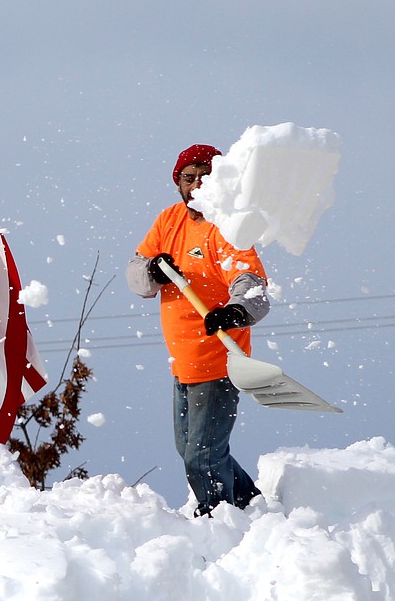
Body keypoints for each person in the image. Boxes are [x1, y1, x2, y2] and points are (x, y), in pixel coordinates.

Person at [126, 143, 270, 517]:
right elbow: (137, 274)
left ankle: (217, 517)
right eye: (188, 178)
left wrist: (235, 312)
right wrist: (151, 273)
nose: (195, 185)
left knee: (201, 454)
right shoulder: (169, 220)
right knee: (193, 449)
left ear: (219, 181)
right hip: (183, 362)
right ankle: (250, 506)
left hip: (218, 364)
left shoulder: (227, 227)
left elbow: (251, 285)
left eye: (204, 177)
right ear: (177, 182)